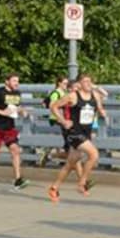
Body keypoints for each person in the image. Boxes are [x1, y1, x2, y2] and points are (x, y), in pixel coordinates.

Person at [47, 74, 109, 202]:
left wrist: (102, 112)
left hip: (86, 132)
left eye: (90, 81)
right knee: (94, 154)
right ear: (79, 84)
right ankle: (82, 183)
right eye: (85, 81)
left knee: (70, 164)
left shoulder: (95, 95)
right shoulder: (73, 96)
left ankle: (54, 187)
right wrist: (63, 120)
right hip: (74, 131)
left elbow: (100, 106)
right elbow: (53, 106)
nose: (88, 83)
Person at [37, 76, 72, 168]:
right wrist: (59, 117)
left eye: (67, 84)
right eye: (64, 83)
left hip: (63, 119)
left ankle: (56, 157)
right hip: (57, 119)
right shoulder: (56, 93)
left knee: (67, 142)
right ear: (59, 83)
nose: (66, 85)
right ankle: (55, 156)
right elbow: (53, 106)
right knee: (66, 140)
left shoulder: (64, 93)